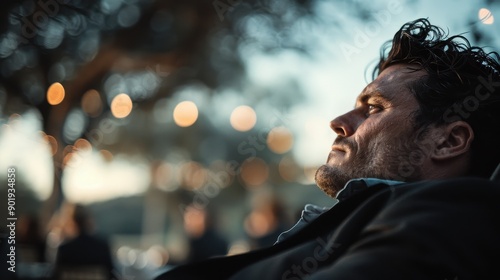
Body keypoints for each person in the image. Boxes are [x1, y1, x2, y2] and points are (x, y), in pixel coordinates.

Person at [155, 18, 500, 279]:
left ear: (448, 141)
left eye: (375, 108)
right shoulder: (371, 218)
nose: (338, 121)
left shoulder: (454, 214)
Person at [53, 203, 116, 280]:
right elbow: (111, 274)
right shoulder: (102, 247)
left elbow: (55, 275)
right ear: (88, 220)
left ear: (71, 221)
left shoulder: (64, 249)